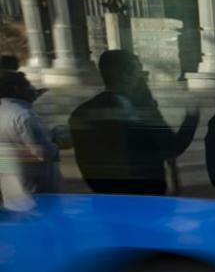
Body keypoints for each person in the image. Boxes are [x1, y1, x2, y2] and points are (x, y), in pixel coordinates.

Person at [69, 50, 199, 196]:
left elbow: (86, 164)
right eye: (139, 71)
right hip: (146, 197)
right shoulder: (142, 112)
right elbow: (173, 147)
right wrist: (192, 117)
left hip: (107, 198)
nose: (143, 76)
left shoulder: (82, 112)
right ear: (126, 75)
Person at [0, 70, 64, 209]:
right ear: (17, 89)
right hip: (38, 191)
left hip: (12, 190)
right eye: (28, 85)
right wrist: (56, 139)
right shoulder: (24, 116)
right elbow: (41, 153)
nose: (33, 89)